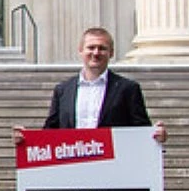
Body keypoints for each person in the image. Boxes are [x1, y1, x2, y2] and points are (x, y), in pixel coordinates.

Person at [18, 27, 165, 143]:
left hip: (113, 166)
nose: (96, 53)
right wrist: (27, 141)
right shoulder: (63, 90)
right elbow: (51, 130)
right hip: (73, 165)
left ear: (111, 53)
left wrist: (156, 136)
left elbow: (141, 130)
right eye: (91, 47)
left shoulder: (128, 89)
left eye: (102, 48)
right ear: (81, 51)